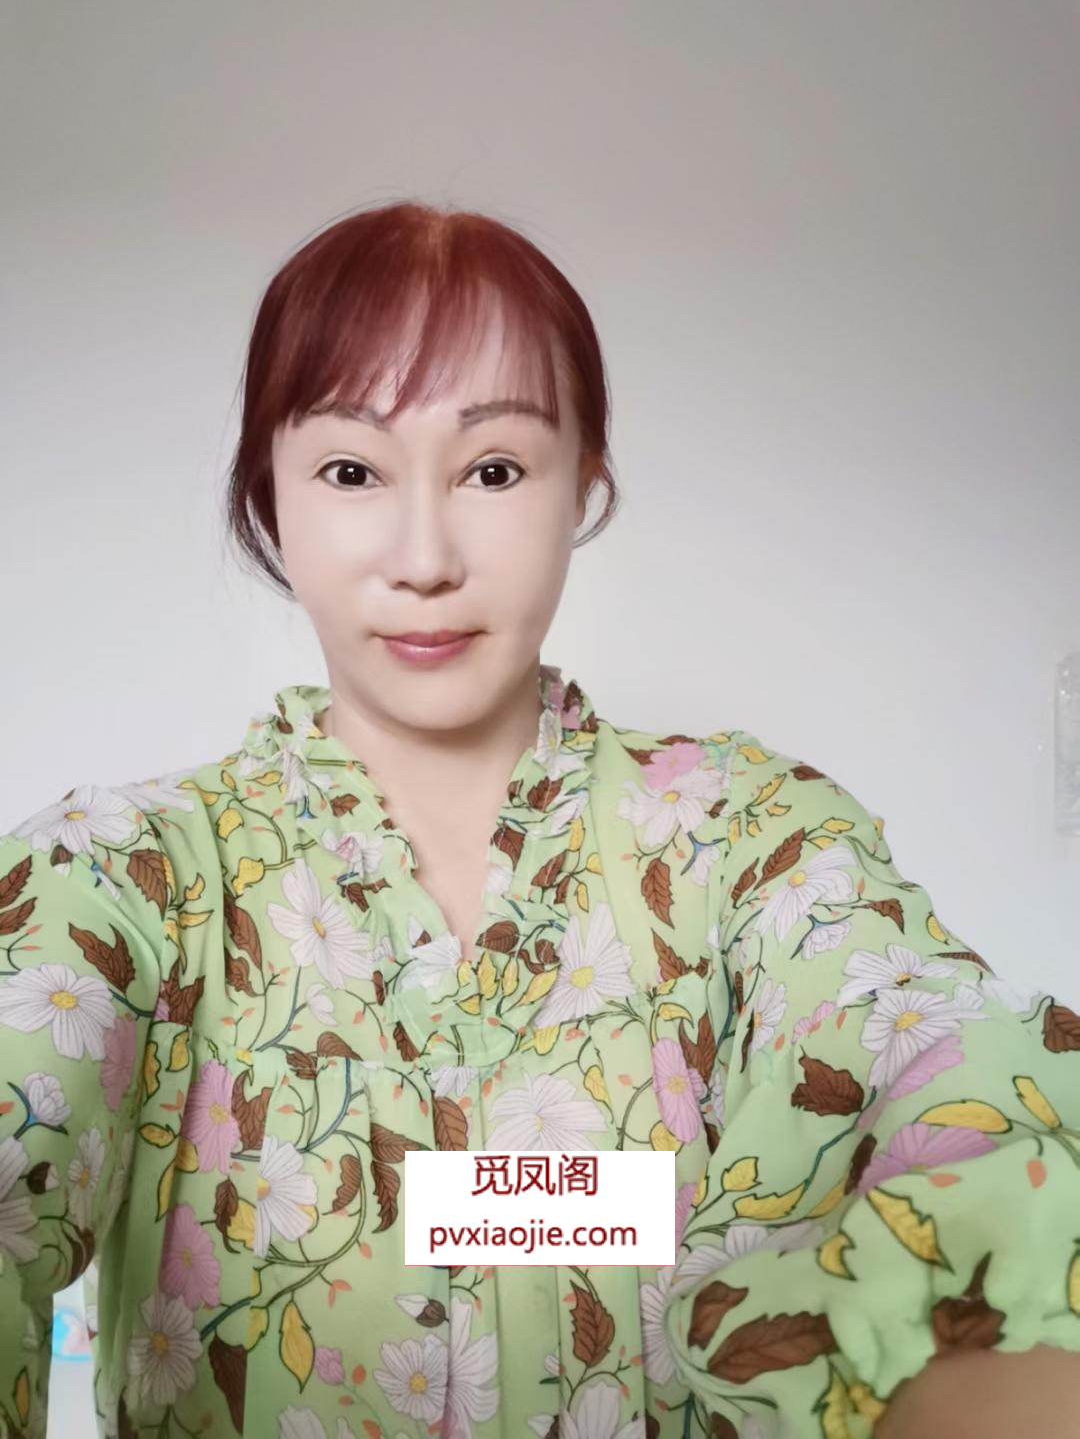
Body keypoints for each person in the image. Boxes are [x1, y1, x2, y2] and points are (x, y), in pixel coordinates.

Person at [1, 202, 1078, 1439]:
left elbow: (951, 1078)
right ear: (271, 497)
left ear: (583, 487)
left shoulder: (754, 842)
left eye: (494, 469)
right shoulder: (124, 881)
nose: (423, 557)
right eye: (351, 471)